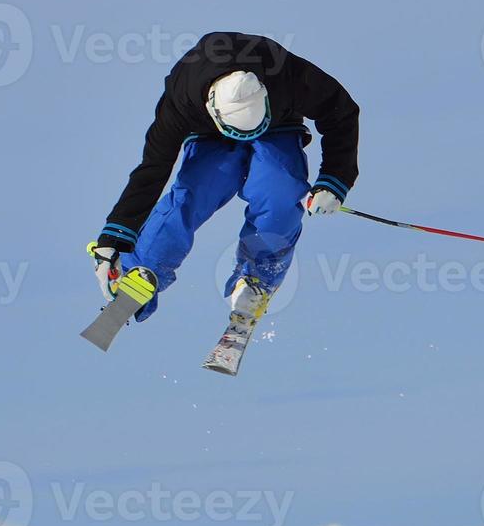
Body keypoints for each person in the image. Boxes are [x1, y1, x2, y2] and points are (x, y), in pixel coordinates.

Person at [90, 32, 360, 323]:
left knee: (279, 192)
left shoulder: (287, 76)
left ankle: (257, 278)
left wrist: (334, 180)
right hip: (209, 136)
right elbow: (153, 168)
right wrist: (114, 236)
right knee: (197, 189)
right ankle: (142, 268)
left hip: (279, 127)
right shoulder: (181, 98)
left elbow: (341, 113)